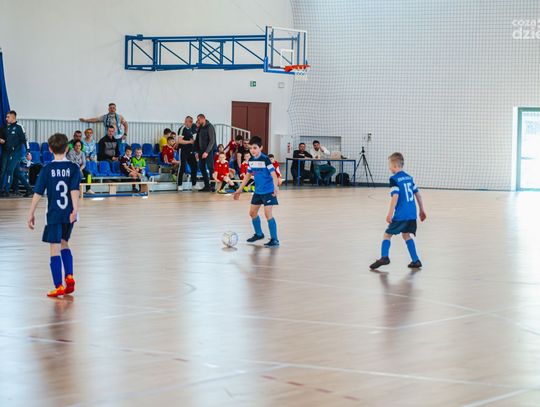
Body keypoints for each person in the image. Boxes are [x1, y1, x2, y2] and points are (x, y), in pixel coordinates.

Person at [27, 132, 81, 297]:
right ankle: (69, 275)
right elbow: (74, 190)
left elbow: (38, 193)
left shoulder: (47, 169)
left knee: (54, 248)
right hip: (68, 214)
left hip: (53, 215)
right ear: (67, 148)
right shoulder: (74, 168)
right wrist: (75, 209)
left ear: (50, 149)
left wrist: (31, 212)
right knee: (64, 242)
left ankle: (58, 286)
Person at [369, 152, 427, 270]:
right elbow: (418, 194)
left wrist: (390, 214)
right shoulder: (409, 178)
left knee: (387, 234)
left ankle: (384, 257)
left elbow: (395, 196)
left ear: (394, 165)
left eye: (389, 165)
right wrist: (422, 210)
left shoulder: (394, 179)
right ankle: (416, 260)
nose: (389, 168)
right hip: (412, 214)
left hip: (401, 215)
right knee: (406, 235)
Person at [233, 136, 280, 247]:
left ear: (261, 148)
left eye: (255, 148)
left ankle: (275, 240)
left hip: (268, 191)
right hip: (258, 191)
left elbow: (274, 175)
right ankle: (259, 234)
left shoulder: (265, 159)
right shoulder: (251, 160)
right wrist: (239, 189)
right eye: (250, 148)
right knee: (252, 213)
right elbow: (248, 175)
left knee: (268, 214)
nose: (252, 150)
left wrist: (275, 187)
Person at [0, 111, 33, 197]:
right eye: (6, 117)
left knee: (9, 170)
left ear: (13, 117)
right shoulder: (5, 127)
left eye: (8, 117)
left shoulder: (19, 127)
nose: (6, 118)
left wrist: (28, 152)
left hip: (15, 153)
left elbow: (25, 140)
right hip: (7, 152)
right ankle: (30, 190)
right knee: (16, 173)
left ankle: (6, 191)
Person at [194, 114, 216, 192]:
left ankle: (212, 186)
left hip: (208, 151)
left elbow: (212, 141)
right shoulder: (200, 127)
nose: (198, 121)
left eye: (199, 120)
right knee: (201, 167)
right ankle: (206, 186)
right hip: (200, 151)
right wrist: (196, 151)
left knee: (210, 168)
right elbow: (197, 140)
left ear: (203, 119)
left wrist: (207, 152)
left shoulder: (210, 127)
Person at [176, 116, 197, 191]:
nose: (191, 123)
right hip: (183, 150)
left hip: (191, 151)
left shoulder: (192, 129)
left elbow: (194, 139)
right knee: (182, 166)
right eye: (190, 121)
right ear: (186, 121)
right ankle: (179, 184)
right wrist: (190, 142)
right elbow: (180, 141)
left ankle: (194, 185)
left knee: (194, 166)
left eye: (192, 121)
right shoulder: (182, 128)